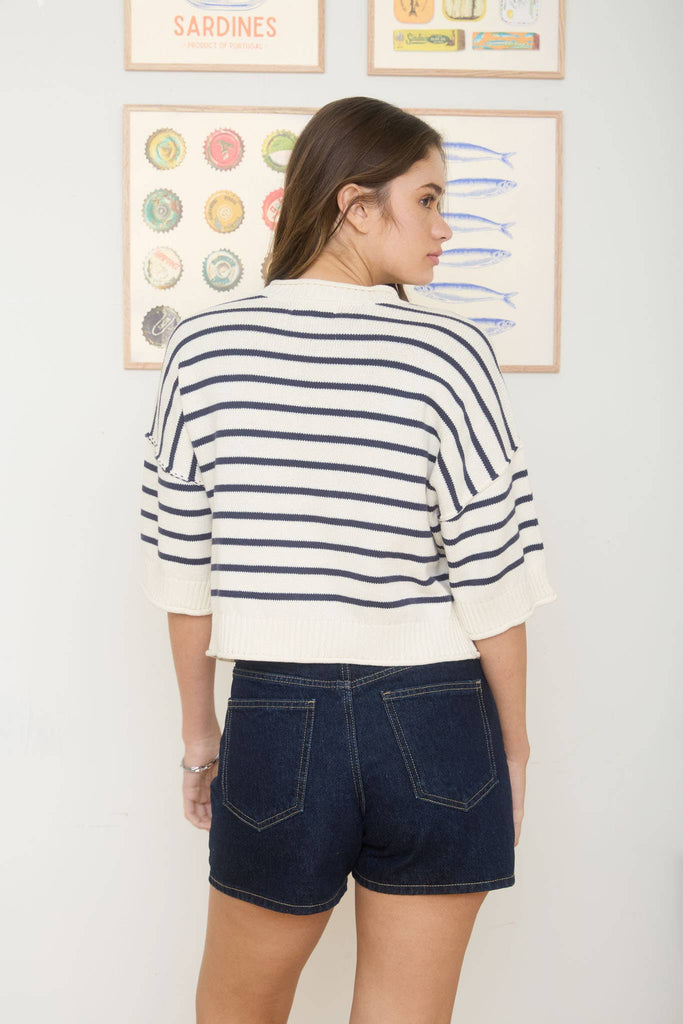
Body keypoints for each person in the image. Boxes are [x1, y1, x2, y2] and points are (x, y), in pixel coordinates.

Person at [139, 96, 557, 1024]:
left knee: (236, 1008)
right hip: (439, 717)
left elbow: (183, 571)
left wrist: (201, 740)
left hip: (277, 714)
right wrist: (514, 745)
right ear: (355, 205)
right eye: (428, 199)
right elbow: (490, 575)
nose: (445, 227)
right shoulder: (450, 351)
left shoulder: (202, 347)